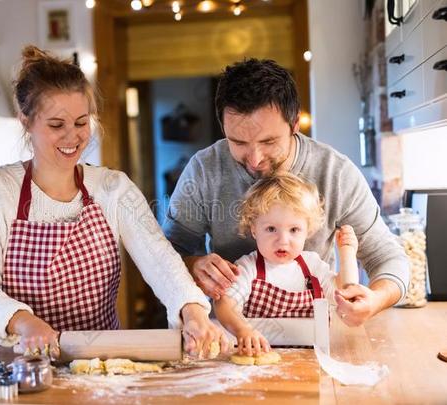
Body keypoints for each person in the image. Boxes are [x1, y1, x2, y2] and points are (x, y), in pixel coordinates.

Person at [0, 45, 228, 358]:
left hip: (101, 365)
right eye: (57, 125)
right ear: (26, 121)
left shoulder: (113, 188)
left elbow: (162, 261)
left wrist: (192, 311)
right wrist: (24, 322)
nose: (72, 137)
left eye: (81, 123)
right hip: (21, 364)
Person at [163, 58, 409, 327]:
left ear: (294, 125)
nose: (255, 159)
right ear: (224, 127)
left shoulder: (335, 173)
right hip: (232, 337)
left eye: (268, 141)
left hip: (315, 335)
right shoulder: (203, 170)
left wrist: (375, 300)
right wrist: (194, 264)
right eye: (238, 142)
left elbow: (388, 258)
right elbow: (166, 255)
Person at [214, 173, 358, 355]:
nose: (283, 241)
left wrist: (347, 252)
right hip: (257, 356)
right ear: (254, 229)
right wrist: (242, 330)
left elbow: (346, 293)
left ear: (308, 231)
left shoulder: (312, 266)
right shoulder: (248, 268)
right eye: (271, 229)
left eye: (294, 230)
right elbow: (223, 304)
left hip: (310, 358)